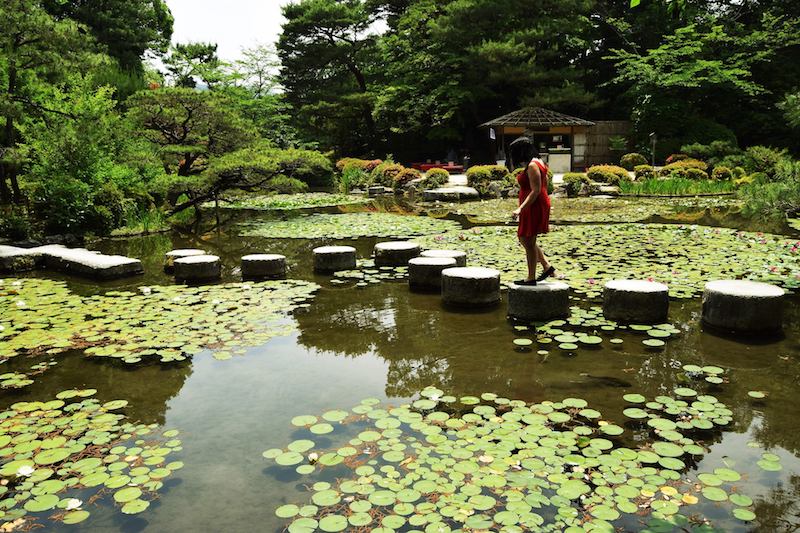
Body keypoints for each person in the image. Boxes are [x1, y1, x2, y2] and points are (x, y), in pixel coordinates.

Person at [511, 139, 555, 285]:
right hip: (535, 204)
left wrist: (520, 208)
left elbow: (536, 191)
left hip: (533, 205)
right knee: (526, 239)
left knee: (527, 240)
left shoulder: (532, 165)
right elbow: (546, 183)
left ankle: (531, 278)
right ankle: (546, 266)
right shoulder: (539, 162)